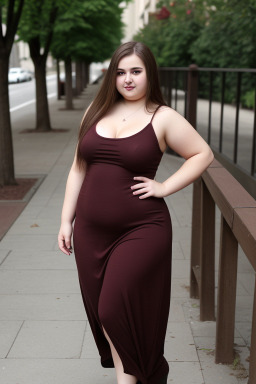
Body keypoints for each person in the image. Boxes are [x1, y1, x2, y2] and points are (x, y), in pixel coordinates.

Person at [58, 41, 214, 384]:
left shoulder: (163, 117)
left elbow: (202, 154)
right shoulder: (95, 112)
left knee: (113, 309)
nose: (127, 79)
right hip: (91, 232)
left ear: (149, 74)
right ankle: (127, 379)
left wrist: (164, 187)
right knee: (107, 317)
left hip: (142, 229)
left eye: (136, 72)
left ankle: (151, 372)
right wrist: (65, 220)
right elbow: (77, 168)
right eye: (120, 72)